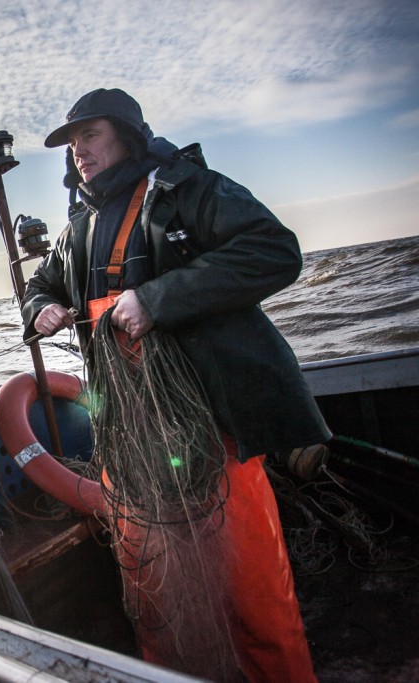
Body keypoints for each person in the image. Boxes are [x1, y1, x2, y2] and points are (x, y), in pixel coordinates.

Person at [21, 88, 331, 681]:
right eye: (71, 143)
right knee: (154, 586)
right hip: (131, 435)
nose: (78, 152)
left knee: (249, 585)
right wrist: (41, 308)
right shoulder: (79, 221)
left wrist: (157, 300)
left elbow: (275, 251)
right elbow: (43, 281)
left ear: (128, 134)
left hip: (210, 424)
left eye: (90, 135)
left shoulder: (187, 186)